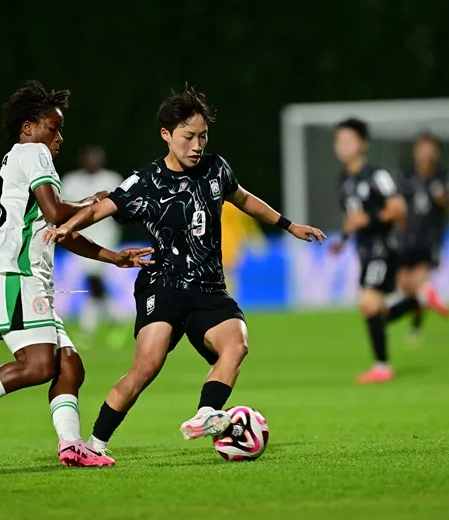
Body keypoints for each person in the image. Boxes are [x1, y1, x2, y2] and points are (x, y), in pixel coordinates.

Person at [46, 84, 325, 461]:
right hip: (163, 286)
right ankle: (93, 445)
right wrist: (68, 226)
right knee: (146, 367)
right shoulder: (146, 181)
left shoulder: (216, 168)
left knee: (236, 344)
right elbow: (101, 208)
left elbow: (243, 199)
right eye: (188, 136)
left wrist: (289, 225)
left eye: (203, 136)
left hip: (209, 288)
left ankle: (207, 413)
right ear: (167, 135)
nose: (197, 145)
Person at [0, 80, 153, 467]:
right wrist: (96, 202)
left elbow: (59, 230)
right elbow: (57, 213)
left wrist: (112, 257)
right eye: (53, 127)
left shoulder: (19, 158)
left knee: (69, 367)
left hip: (27, 279)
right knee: (40, 366)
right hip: (16, 276)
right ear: (28, 127)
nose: (59, 137)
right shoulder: (34, 153)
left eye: (61, 130)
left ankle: (71, 444)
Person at [329, 118, 415, 384]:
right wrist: (343, 239)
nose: (342, 145)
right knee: (375, 310)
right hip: (365, 250)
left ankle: (382, 367)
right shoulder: (344, 181)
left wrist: (371, 218)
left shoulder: (377, 175)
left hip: (383, 247)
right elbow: (353, 218)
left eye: (348, 139)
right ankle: (417, 300)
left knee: (368, 305)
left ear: (363, 143)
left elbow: (399, 208)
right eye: (338, 140)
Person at [397, 132, 449, 338]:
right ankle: (427, 298)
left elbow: (448, 205)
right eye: (421, 148)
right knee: (406, 284)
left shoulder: (443, 177)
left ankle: (416, 325)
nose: (425, 153)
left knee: (420, 277)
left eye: (429, 149)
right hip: (406, 237)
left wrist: (441, 197)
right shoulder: (405, 177)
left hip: (430, 238)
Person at [61, 147, 124, 339]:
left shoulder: (112, 179)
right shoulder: (71, 181)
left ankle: (90, 324)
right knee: (94, 280)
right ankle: (115, 315)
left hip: (105, 235)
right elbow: (62, 207)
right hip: (80, 236)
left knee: (94, 278)